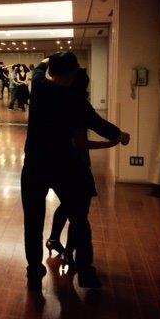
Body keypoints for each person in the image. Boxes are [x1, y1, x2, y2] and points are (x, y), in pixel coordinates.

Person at [20, 52, 129, 290]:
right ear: (73, 73)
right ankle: (86, 272)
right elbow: (99, 124)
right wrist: (120, 135)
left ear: (52, 71)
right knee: (79, 220)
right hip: (66, 166)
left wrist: (46, 60)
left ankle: (34, 270)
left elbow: (38, 70)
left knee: (33, 221)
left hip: (35, 166)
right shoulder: (76, 100)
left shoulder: (39, 88)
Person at [45, 70, 129, 271]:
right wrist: (115, 139)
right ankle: (74, 258)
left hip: (53, 165)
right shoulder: (76, 102)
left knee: (68, 204)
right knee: (80, 214)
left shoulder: (50, 99)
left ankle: (54, 240)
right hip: (74, 165)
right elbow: (88, 134)